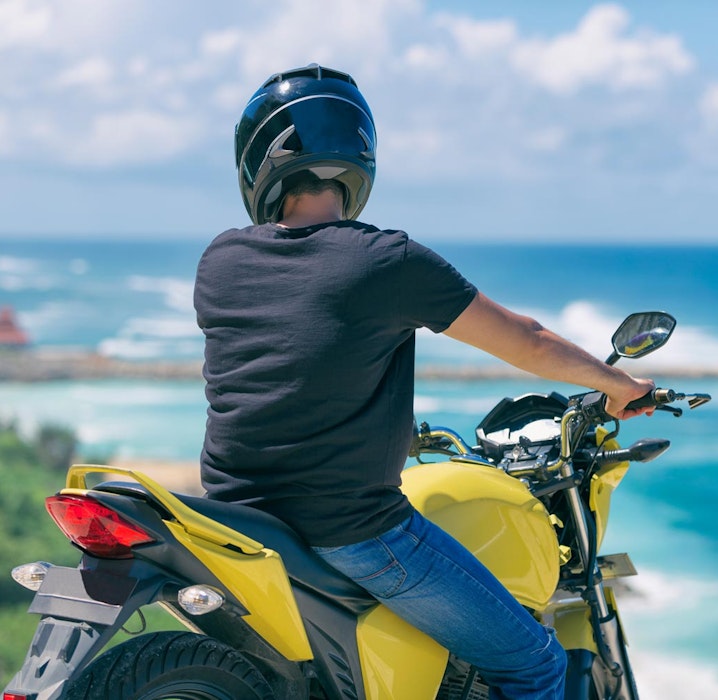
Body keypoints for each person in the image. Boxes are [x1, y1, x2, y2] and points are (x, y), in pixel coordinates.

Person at [194, 64, 655, 700]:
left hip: (234, 517)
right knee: (534, 662)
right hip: (351, 532)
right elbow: (526, 340)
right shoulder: (387, 260)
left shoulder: (220, 259)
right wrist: (618, 383)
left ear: (257, 161)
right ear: (360, 159)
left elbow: (288, 364)